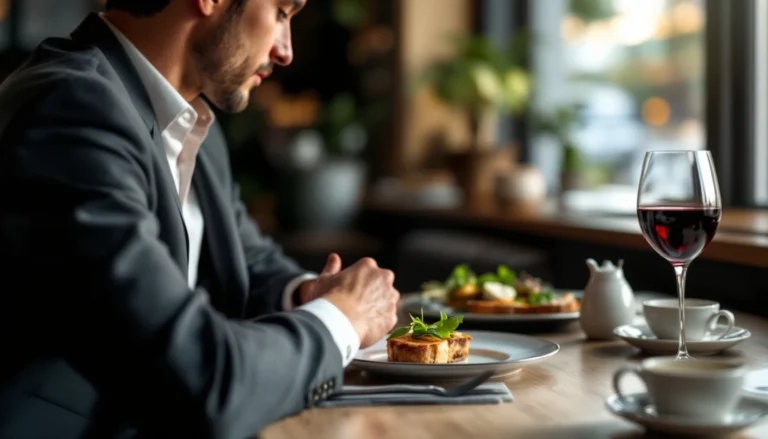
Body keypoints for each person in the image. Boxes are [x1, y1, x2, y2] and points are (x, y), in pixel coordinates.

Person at [0, 1, 400, 438]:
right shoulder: (70, 111)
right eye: (281, 13)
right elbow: (202, 379)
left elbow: (248, 261)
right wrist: (340, 319)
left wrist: (311, 292)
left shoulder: (190, 123)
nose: (286, 51)